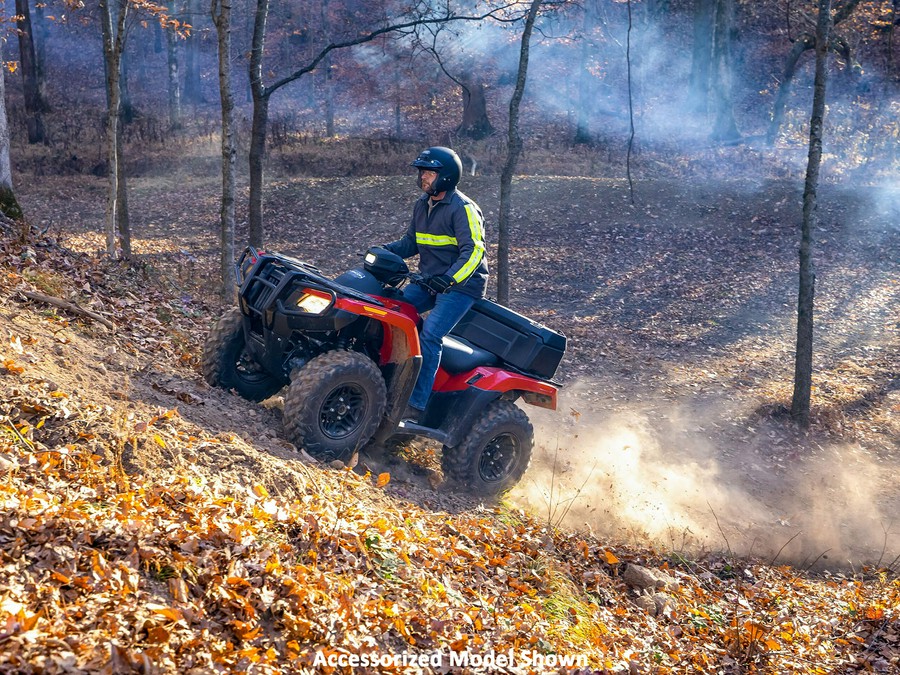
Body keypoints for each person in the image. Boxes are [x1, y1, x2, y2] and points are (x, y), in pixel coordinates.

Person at [383, 146, 488, 423]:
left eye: (429, 173)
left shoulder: (463, 209)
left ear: (446, 176)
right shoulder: (422, 205)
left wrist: (451, 279)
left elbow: (474, 252)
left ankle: (416, 404)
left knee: (431, 335)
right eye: (422, 173)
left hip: (461, 286)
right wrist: (385, 250)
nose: (423, 178)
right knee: (391, 311)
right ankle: (386, 377)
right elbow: (410, 243)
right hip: (429, 279)